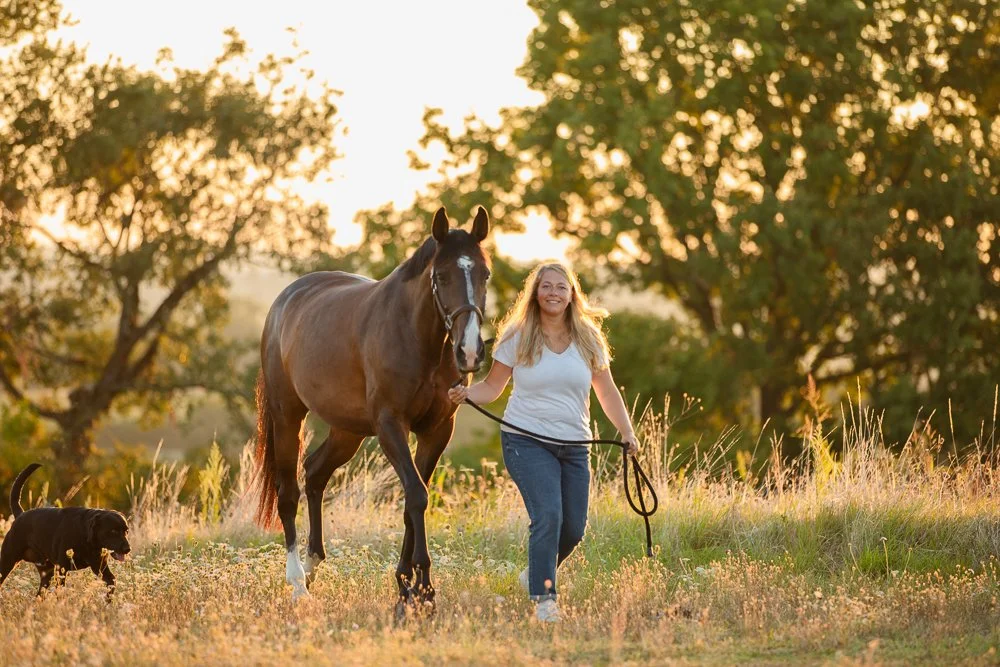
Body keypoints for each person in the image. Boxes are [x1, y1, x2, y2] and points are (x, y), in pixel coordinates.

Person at [447, 262, 640, 623]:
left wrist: (627, 432)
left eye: (561, 287)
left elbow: (607, 391)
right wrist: (466, 394)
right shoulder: (517, 336)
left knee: (573, 528)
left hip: (575, 445)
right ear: (535, 293)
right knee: (548, 515)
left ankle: (535, 571)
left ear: (572, 295)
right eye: (546, 286)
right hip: (526, 441)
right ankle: (544, 598)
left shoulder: (589, 338)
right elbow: (492, 388)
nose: (553, 292)